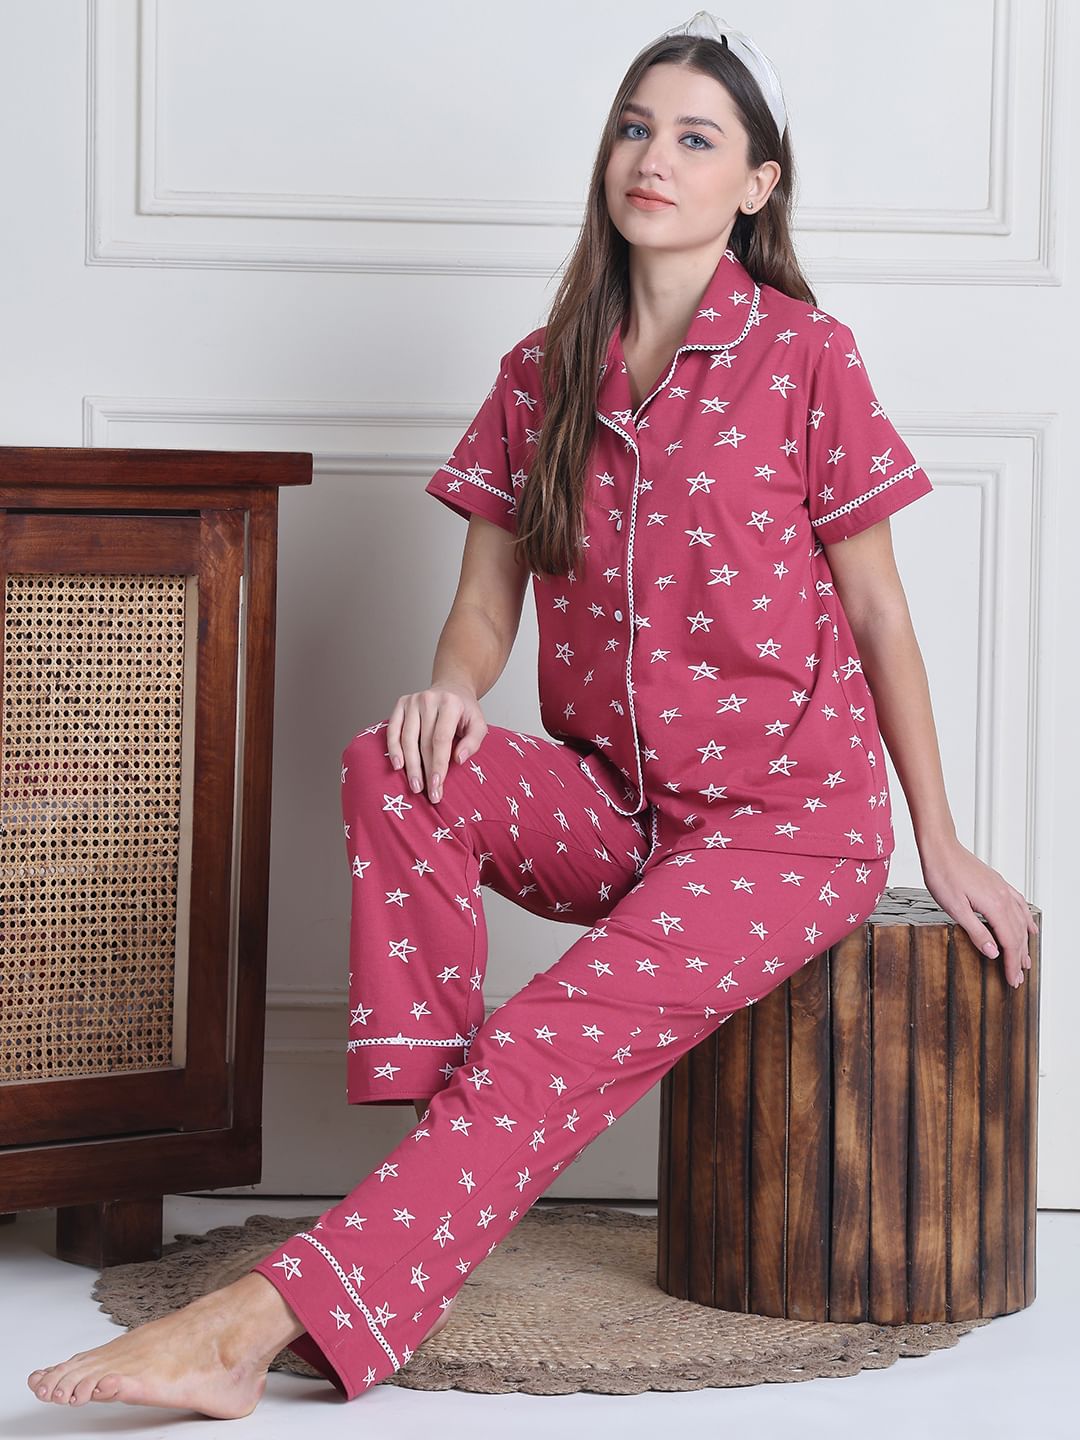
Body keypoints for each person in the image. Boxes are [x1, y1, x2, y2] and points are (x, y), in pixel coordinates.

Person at [27, 10, 1036, 1417]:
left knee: (539, 1044)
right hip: (620, 801)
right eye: (636, 128)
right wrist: (448, 690)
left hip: (785, 827)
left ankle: (247, 1330)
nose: (655, 158)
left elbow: (881, 616)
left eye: (697, 139)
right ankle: (449, 1146)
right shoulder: (541, 370)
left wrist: (942, 838)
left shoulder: (808, 358)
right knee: (395, 761)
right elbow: (484, 610)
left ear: (758, 184)